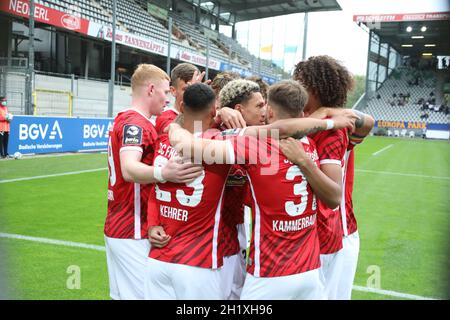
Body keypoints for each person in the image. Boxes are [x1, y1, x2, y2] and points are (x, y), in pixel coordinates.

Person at [164, 81, 358, 299]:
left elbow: (191, 148)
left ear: (271, 111)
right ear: (302, 112)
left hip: (270, 272)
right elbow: (333, 197)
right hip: (309, 271)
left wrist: (175, 128)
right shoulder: (308, 146)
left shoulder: (255, 146)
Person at [104, 64, 203, 300]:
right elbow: (129, 168)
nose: (167, 99)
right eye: (165, 92)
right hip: (132, 227)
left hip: (121, 225)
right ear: (150, 89)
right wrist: (164, 173)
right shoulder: (135, 124)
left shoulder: (127, 119)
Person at [292, 55, 374, 300]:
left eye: (300, 84)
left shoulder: (337, 126)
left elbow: (368, 122)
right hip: (307, 232)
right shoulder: (304, 122)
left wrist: (331, 112)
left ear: (314, 89)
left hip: (338, 233)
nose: (296, 90)